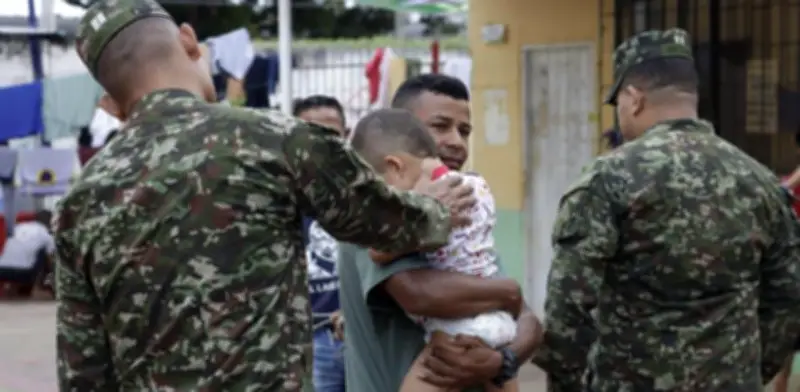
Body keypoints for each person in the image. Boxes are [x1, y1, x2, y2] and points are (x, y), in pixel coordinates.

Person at [54, 1, 476, 391]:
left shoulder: (79, 201)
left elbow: (84, 370)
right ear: (188, 41)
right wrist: (438, 208)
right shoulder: (273, 138)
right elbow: (381, 221)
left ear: (111, 104)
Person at [536, 28, 800, 390]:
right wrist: (746, 372)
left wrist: (567, 382)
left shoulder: (608, 177)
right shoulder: (760, 181)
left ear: (633, 98)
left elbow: (568, 305)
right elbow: (788, 299)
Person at [340, 74, 542, 392]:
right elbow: (422, 296)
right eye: (440, 126)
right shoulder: (373, 213)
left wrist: (502, 362)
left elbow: (528, 321)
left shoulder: (461, 209)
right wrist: (509, 292)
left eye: (464, 131)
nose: (457, 142)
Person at [293, 95, 348, 392]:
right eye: (310, 135)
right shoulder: (279, 198)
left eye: (331, 134)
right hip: (310, 341)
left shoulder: (365, 197)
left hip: (361, 337)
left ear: (347, 136)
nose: (322, 144)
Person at [0, 210, 55, 298]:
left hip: (1, 270)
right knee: (43, 252)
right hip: (25, 273)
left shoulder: (14, 228)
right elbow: (51, 260)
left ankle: (12, 291)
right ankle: (36, 289)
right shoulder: (45, 233)